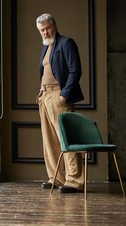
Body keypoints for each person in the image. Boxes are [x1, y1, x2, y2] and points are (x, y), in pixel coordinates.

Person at [35, 13, 85, 193]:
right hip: (44, 96)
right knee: (50, 141)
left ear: (55, 26)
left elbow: (75, 70)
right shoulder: (46, 47)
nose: (45, 32)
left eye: (47, 28)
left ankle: (75, 181)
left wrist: (64, 94)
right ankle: (56, 177)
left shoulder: (66, 43)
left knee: (66, 139)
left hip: (59, 95)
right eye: (42, 30)